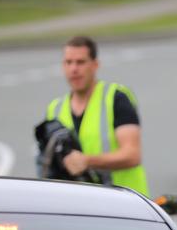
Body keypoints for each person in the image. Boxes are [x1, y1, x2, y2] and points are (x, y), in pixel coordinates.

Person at [44, 35, 150, 196]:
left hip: (125, 203)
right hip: (81, 205)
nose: (74, 69)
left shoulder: (115, 98)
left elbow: (132, 155)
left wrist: (87, 161)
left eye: (80, 62)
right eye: (68, 62)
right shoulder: (55, 108)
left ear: (95, 65)